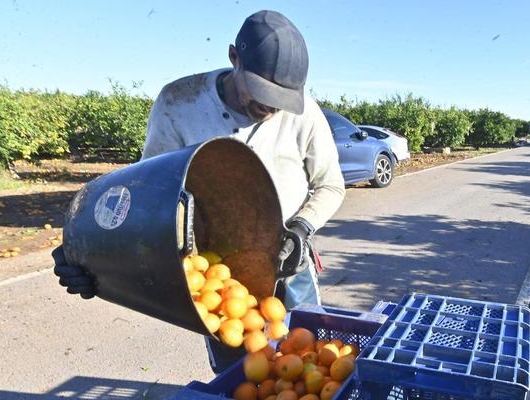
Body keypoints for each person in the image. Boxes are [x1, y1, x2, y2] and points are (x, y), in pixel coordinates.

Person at [52, 10, 345, 372]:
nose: (270, 107)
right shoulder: (180, 104)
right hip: (219, 272)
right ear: (234, 59)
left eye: (282, 98)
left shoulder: (304, 114)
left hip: (289, 260)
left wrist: (301, 228)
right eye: (262, 92)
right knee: (240, 376)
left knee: (310, 359)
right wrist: (89, 254)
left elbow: (330, 185)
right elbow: (147, 196)